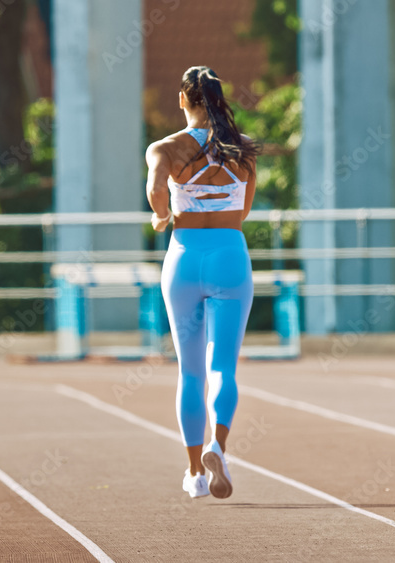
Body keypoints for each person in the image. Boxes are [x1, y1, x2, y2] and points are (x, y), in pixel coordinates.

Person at [144, 66, 261, 499]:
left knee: (190, 371)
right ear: (219, 98)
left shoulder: (165, 148)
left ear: (182, 100)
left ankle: (194, 474)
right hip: (230, 254)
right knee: (222, 367)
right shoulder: (243, 149)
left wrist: (161, 214)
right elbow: (244, 210)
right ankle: (219, 447)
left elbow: (156, 190)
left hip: (184, 257)